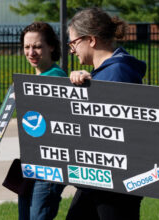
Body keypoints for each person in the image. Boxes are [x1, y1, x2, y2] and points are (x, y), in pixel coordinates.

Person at [66, 8, 146, 220]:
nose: (72, 50)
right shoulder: (103, 73)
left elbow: (116, 125)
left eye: (73, 43)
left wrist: (93, 86)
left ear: (91, 40)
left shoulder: (118, 71)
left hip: (115, 185)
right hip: (98, 181)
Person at [18, 21, 67, 220]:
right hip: (32, 162)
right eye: (27, 47)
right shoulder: (35, 81)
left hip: (50, 166)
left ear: (51, 47)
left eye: (37, 46)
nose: (31, 52)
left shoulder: (55, 78)